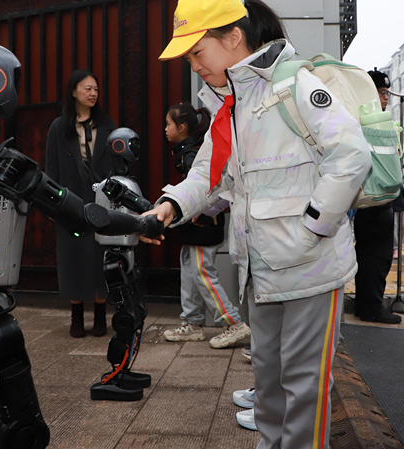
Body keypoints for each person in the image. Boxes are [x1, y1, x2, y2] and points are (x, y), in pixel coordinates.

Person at [142, 0, 371, 447]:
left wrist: (312, 229)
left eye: (196, 52)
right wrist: (169, 206)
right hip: (261, 272)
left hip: (310, 270)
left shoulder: (295, 86)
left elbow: (351, 156)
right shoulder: (232, 105)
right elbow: (207, 176)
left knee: (304, 390)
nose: (194, 65)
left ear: (232, 38)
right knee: (268, 385)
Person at [160, 102, 251, 348]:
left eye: (168, 124)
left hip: (203, 225)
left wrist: (203, 211)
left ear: (181, 127)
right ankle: (192, 324)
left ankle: (234, 324)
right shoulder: (186, 151)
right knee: (190, 269)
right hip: (195, 226)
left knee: (202, 272)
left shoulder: (191, 154)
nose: (164, 129)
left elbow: (220, 190)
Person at [46, 70, 118, 338]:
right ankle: (76, 316)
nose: (93, 93)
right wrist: (53, 205)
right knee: (72, 257)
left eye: (96, 89)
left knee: (100, 257)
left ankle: (100, 315)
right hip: (70, 201)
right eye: (87, 88)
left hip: (101, 200)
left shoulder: (107, 124)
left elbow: (116, 165)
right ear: (73, 91)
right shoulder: (59, 127)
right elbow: (51, 170)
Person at [353, 69, 403, 324]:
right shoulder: (367, 121)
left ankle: (366, 304)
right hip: (374, 200)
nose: (386, 98)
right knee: (376, 255)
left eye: (387, 93)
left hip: (379, 198)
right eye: (383, 93)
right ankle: (371, 306)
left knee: (372, 255)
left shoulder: (373, 120)